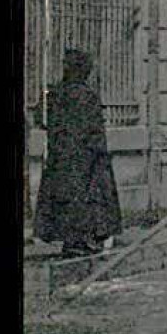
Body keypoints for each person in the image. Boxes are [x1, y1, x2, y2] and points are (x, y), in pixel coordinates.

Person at [35, 48, 123, 258]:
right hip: (86, 159)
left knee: (63, 201)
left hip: (61, 160)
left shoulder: (55, 93)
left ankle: (71, 242)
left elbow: (41, 119)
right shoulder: (87, 95)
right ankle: (85, 242)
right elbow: (94, 132)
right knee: (90, 202)